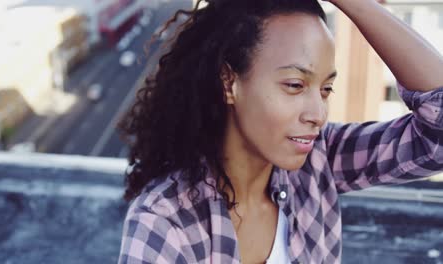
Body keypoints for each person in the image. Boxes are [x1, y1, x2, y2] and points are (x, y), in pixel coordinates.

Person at [116, 0, 443, 263]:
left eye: (326, 89)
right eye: (295, 85)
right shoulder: (165, 221)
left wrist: (356, 4)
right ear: (229, 82)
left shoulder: (319, 161)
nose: (318, 113)